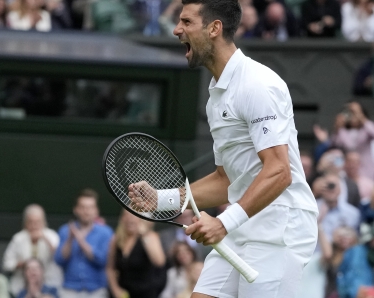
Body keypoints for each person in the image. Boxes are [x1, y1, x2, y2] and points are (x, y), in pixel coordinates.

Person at [130, 0, 319, 295]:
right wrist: (161, 200)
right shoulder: (216, 96)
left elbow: (280, 171)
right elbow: (225, 180)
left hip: (280, 231)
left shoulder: (258, 84)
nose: (177, 30)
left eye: (187, 22)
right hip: (242, 227)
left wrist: (223, 222)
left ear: (214, 28)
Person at [54, 189, 113, 298]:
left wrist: (81, 241)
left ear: (96, 211)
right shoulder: (65, 230)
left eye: (90, 207)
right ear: (76, 209)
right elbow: (59, 260)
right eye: (83, 207)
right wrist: (70, 239)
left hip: (96, 291)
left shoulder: (105, 232)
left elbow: (103, 261)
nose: (86, 211)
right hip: (69, 290)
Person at [3, 204, 60, 296]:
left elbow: (59, 257)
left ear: (43, 222)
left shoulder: (51, 236)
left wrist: (45, 239)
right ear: (25, 223)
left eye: (37, 222)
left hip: (48, 283)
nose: (34, 226)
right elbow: (7, 264)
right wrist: (23, 264)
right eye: (31, 222)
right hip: (21, 285)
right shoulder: (18, 238)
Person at [106, 210, 166, 298]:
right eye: (126, 215)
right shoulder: (116, 240)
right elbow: (110, 268)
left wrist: (144, 235)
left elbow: (159, 262)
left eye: (133, 215)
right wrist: (115, 289)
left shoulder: (150, 236)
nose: (130, 218)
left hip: (146, 293)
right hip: (123, 293)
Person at [333, 101, 374, 180]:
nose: (353, 116)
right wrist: (339, 127)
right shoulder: (344, 131)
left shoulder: (366, 128)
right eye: (350, 112)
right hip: (349, 172)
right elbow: (342, 145)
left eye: (355, 112)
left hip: (367, 171)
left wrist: (363, 119)